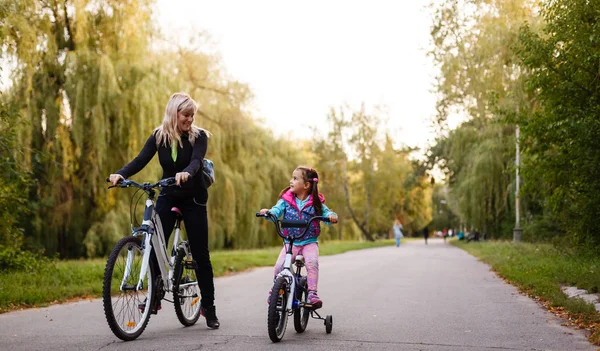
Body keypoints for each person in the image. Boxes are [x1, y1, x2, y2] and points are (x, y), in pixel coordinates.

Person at [108, 92, 220, 329]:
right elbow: (140, 160)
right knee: (156, 242)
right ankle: (155, 296)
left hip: (194, 198)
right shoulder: (159, 137)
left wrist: (187, 172)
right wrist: (121, 173)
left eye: (192, 115)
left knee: (201, 254)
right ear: (174, 113)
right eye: (186, 115)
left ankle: (209, 308)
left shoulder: (199, 137)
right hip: (168, 193)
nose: (190, 119)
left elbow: (196, 161)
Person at [259, 166, 338, 309]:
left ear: (306, 185)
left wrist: (331, 217)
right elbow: (276, 211)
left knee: (312, 263)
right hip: (291, 242)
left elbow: (326, 213)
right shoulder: (286, 200)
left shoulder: (315, 202)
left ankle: (312, 293)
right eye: (292, 178)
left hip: (309, 242)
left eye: (295, 179)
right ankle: (276, 291)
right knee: (279, 266)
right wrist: (269, 213)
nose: (291, 181)